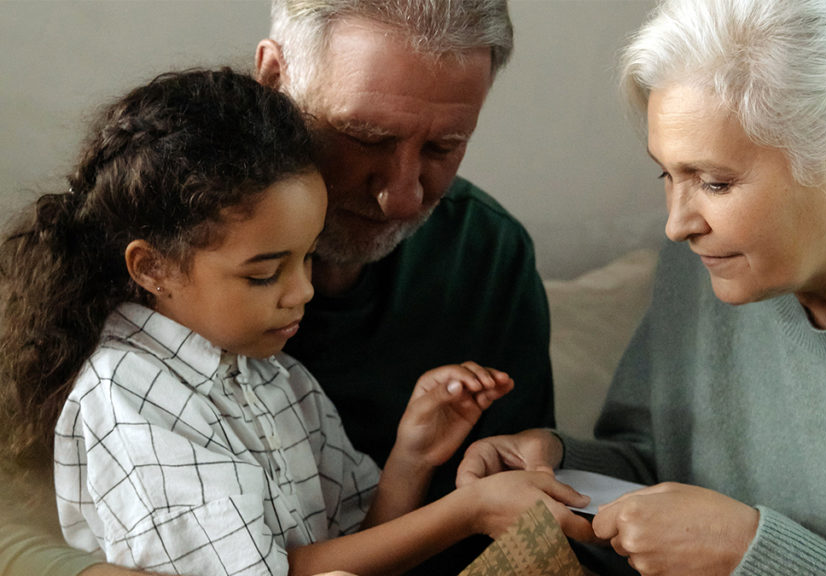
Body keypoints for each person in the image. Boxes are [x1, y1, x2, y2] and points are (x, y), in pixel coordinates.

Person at [456, 0, 826, 574]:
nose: (678, 225)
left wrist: (750, 552)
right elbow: (664, 466)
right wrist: (560, 464)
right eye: (668, 174)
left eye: (716, 182)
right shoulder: (705, 269)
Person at [0, 1, 556, 575]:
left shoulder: (278, 375)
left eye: (444, 147)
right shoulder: (127, 381)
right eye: (365, 136)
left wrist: (413, 459)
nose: (403, 196)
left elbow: (368, 532)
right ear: (274, 78)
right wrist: (464, 512)